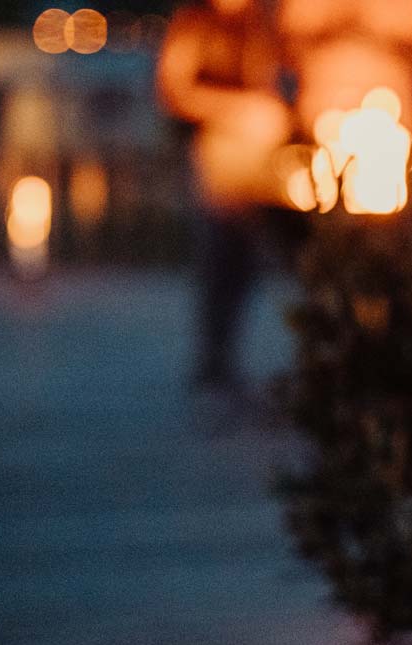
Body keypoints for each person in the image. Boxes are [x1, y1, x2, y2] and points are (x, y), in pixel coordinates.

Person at [157, 0, 292, 388]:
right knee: (218, 259)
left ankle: (225, 362)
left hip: (258, 161)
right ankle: (211, 363)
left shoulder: (257, 21)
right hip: (216, 159)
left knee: (244, 264)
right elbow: (174, 89)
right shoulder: (196, 22)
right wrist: (238, 109)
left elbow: (270, 79)